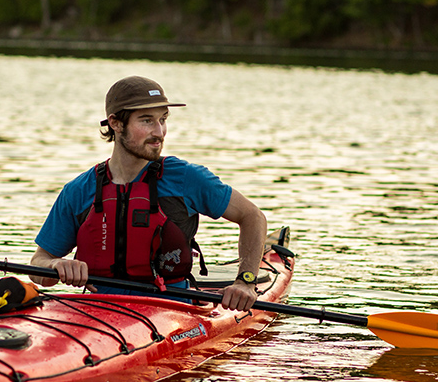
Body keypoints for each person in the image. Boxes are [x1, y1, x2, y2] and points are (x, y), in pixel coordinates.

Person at [30, 76, 267, 312]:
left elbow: (252, 216)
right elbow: (39, 264)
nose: (159, 132)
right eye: (147, 121)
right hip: (98, 308)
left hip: (172, 310)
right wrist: (55, 264)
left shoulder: (185, 178)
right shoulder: (79, 189)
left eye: (163, 120)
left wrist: (245, 281)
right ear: (115, 123)